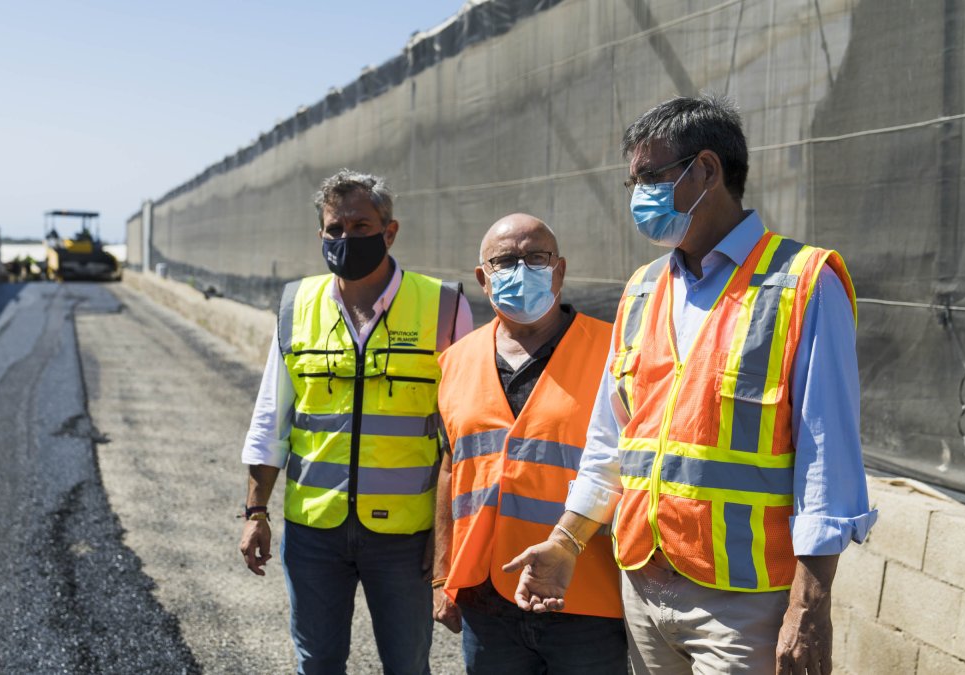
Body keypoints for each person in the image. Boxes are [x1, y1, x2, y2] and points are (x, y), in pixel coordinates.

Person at [502, 95, 877, 675]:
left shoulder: (803, 283)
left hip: (742, 604)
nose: (638, 197)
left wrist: (809, 605)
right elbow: (613, 441)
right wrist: (567, 541)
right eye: (632, 182)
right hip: (644, 590)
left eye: (650, 176)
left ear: (706, 170)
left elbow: (828, 463)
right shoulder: (644, 288)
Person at [238, 169, 473, 675]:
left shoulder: (445, 306)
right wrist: (255, 513)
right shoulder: (297, 306)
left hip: (407, 539)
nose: (346, 238)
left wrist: (447, 536)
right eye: (334, 229)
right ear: (321, 234)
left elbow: (463, 434)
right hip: (313, 533)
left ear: (390, 231)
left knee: (407, 665)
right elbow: (270, 419)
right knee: (317, 662)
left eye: (361, 226)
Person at [432, 214, 627, 674]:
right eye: (505, 261)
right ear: (483, 278)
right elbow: (448, 469)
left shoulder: (613, 353)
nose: (522, 270)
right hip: (487, 598)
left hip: (588, 597)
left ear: (559, 270)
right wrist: (444, 575)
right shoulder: (455, 361)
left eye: (536, 257)